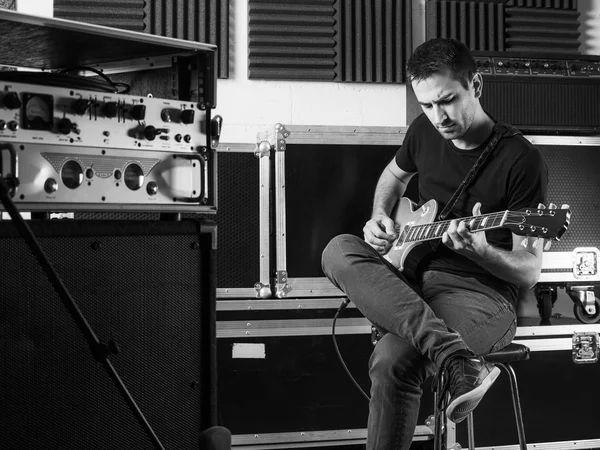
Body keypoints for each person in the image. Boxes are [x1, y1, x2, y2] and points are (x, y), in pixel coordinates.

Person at [321, 37, 548, 449]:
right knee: (337, 248)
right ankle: (457, 358)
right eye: (426, 104)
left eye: (446, 100)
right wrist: (379, 217)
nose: (437, 116)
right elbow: (393, 177)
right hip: (411, 283)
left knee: (393, 359)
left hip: (481, 295)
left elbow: (530, 271)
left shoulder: (521, 160)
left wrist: (483, 251)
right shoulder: (423, 132)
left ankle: (452, 354)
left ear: (475, 85)